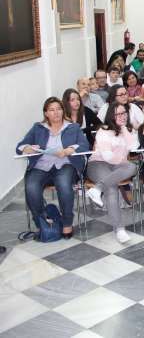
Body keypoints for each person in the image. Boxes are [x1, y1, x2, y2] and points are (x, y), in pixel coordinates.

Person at [16, 97, 91, 239]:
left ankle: (67, 223)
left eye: (59, 109)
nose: (56, 112)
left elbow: (84, 145)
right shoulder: (38, 128)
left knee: (63, 184)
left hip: (65, 164)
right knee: (31, 187)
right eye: (52, 110)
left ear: (63, 110)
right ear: (46, 113)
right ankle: (42, 222)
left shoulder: (72, 127)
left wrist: (68, 150)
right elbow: (20, 146)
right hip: (41, 166)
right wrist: (28, 148)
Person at [86, 102, 139, 243]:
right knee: (112, 187)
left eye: (124, 113)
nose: (122, 116)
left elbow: (134, 146)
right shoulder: (103, 131)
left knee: (132, 167)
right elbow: (107, 157)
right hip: (98, 164)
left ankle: (97, 189)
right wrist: (122, 161)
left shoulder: (128, 130)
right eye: (118, 114)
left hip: (116, 166)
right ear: (111, 115)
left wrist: (124, 128)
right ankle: (119, 229)